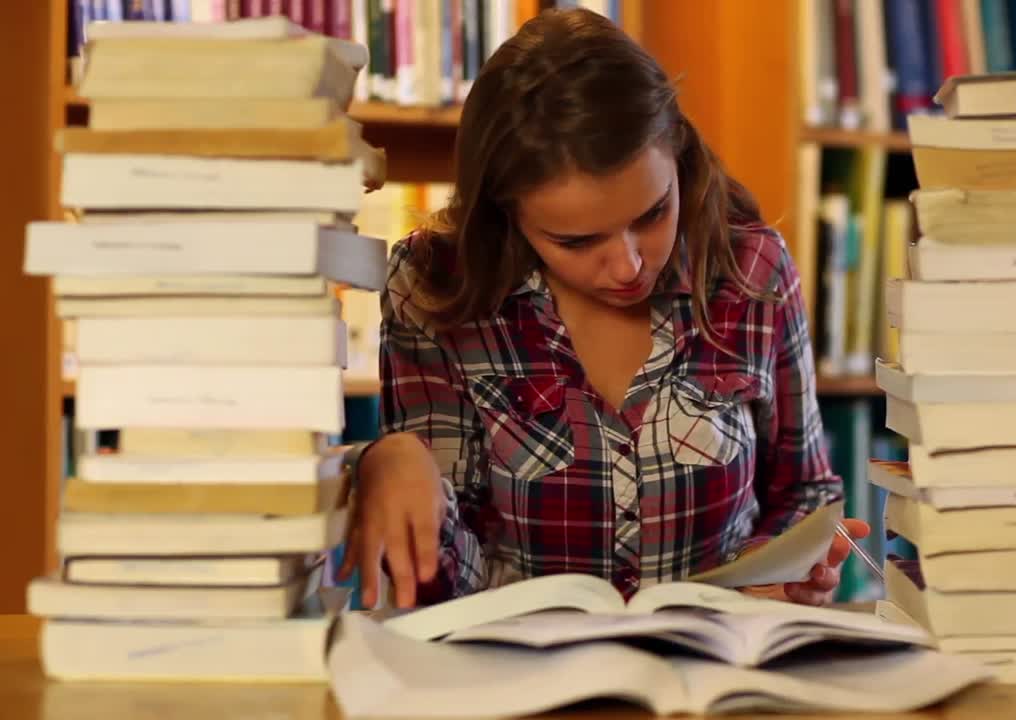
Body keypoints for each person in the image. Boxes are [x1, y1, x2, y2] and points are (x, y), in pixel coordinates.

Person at [337, 7, 869, 610]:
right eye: (576, 241)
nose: (628, 266)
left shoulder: (753, 270)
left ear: (679, 157)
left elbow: (804, 486)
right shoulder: (431, 285)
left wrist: (788, 568)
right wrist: (403, 469)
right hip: (520, 680)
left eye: (652, 214)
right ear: (506, 218)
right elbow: (446, 588)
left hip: (719, 673)